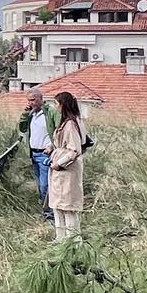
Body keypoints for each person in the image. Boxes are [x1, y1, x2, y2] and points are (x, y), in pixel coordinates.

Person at [48, 91, 88, 241]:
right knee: (58, 205)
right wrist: (52, 149)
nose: (55, 107)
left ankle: (73, 241)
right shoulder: (67, 122)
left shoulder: (71, 124)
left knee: (68, 206)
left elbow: (74, 150)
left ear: (63, 105)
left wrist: (59, 163)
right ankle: (61, 239)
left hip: (67, 169)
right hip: (60, 169)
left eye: (57, 104)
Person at [19, 89, 60, 222]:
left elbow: (59, 130)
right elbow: (22, 129)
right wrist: (24, 115)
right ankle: (46, 211)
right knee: (39, 186)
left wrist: (52, 145)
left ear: (41, 99)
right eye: (29, 100)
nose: (31, 103)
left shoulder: (50, 112)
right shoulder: (31, 114)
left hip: (45, 153)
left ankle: (50, 214)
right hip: (33, 153)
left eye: (33, 100)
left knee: (45, 186)